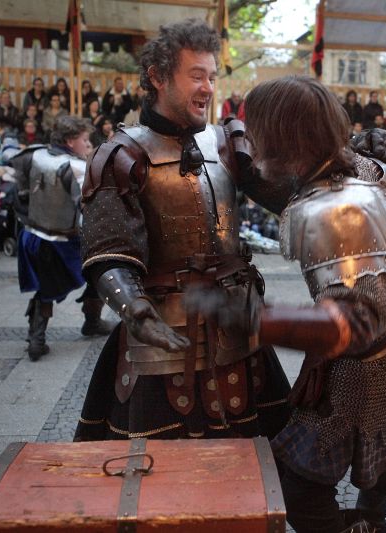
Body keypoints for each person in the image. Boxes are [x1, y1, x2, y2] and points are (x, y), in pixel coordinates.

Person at [223, 75, 386, 532]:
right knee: (382, 455)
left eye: (258, 132)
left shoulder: (334, 210)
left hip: (366, 364)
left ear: (284, 139)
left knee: (299, 491)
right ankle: (373, 516)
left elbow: (358, 323)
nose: (254, 144)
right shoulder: (369, 165)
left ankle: (362, 525)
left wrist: (255, 320)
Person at [74, 18, 292, 442]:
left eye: (211, 76)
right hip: (164, 339)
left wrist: (359, 167)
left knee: (261, 464)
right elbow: (108, 251)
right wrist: (134, 308)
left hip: (237, 329)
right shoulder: (121, 155)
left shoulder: (227, 142)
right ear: (157, 77)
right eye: (196, 76)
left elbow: (293, 194)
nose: (208, 87)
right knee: (161, 472)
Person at [11, 115, 113, 360]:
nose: (87, 144)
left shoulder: (34, 154)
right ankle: (45, 336)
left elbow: (19, 187)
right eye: (84, 139)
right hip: (62, 243)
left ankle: (42, 337)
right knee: (95, 270)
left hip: (32, 237)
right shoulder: (75, 167)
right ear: (69, 141)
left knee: (49, 285)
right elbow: (88, 208)